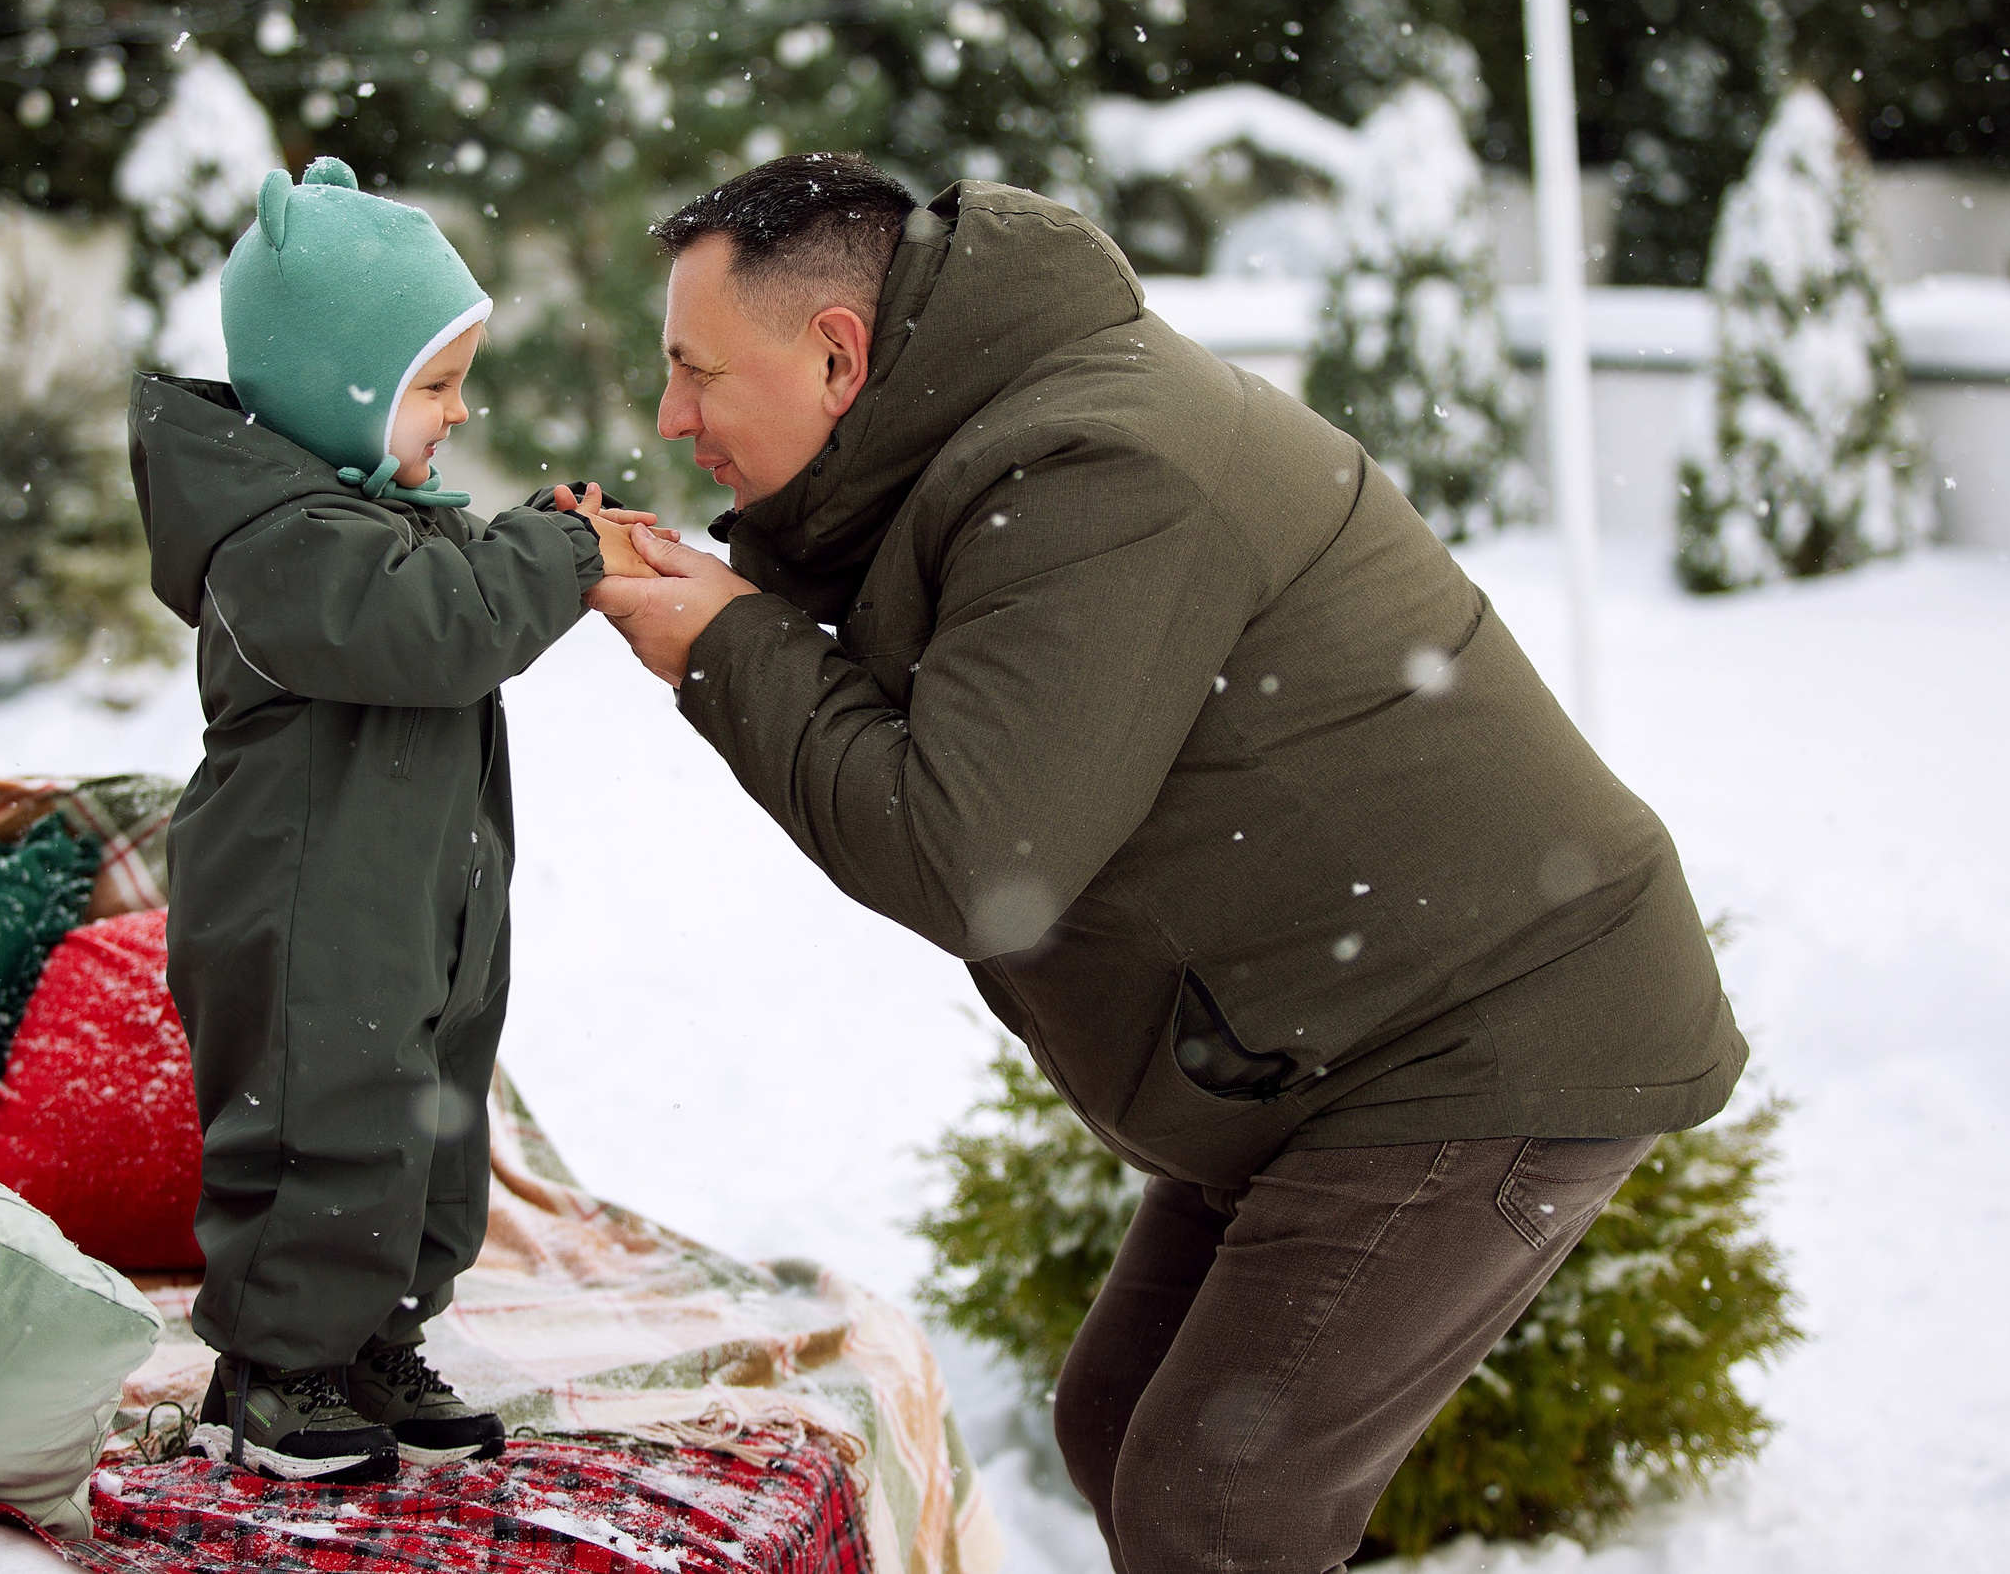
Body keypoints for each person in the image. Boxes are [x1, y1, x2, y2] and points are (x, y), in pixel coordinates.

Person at [587, 155, 1746, 1573]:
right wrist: (748, 608)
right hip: (1330, 1035)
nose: (670, 416)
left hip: (1475, 1035)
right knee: (1122, 1417)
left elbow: (970, 855)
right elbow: (964, 657)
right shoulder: (999, 437)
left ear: (838, 354)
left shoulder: (1096, 466)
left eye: (696, 370)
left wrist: (728, 647)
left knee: (1221, 1507)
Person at [129, 156, 657, 1484]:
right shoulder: (277, 543)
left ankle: (372, 1333)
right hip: (306, 907)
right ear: (336, 386)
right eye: (434, 384)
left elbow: (451, 582)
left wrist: (538, 529)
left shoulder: (364, 515)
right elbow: (439, 628)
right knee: (324, 1119)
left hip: (416, 903)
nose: (459, 411)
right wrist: (557, 556)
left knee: (427, 1114)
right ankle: (275, 1368)